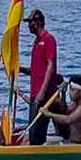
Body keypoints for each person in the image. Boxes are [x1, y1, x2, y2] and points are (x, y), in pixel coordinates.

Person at [25, 9, 62, 145]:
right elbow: (35, 70)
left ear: (38, 22)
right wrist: (17, 69)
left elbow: (50, 67)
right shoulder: (36, 41)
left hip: (45, 94)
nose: (28, 26)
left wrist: (42, 92)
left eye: (30, 22)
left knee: (37, 132)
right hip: (35, 93)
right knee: (33, 132)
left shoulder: (48, 39)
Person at [45, 75, 81, 143]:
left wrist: (49, 114)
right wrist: (63, 93)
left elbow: (68, 120)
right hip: (72, 142)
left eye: (73, 90)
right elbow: (63, 111)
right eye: (70, 90)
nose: (70, 93)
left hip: (80, 144)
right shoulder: (75, 105)